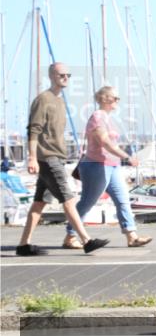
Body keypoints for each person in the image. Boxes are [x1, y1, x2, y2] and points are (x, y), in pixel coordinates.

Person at [16, 63, 109, 256]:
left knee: (39, 203)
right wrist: (32, 157)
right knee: (68, 199)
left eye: (68, 75)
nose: (66, 78)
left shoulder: (59, 101)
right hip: (48, 158)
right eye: (61, 75)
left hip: (56, 157)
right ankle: (87, 241)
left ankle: (23, 245)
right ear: (51, 76)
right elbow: (33, 130)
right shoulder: (43, 100)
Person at [64, 86, 152, 249]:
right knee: (87, 202)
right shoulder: (97, 117)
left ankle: (131, 236)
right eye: (115, 98)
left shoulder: (107, 118)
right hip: (96, 165)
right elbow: (104, 141)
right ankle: (71, 235)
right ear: (105, 99)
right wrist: (126, 157)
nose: (118, 101)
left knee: (123, 200)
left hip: (112, 166)